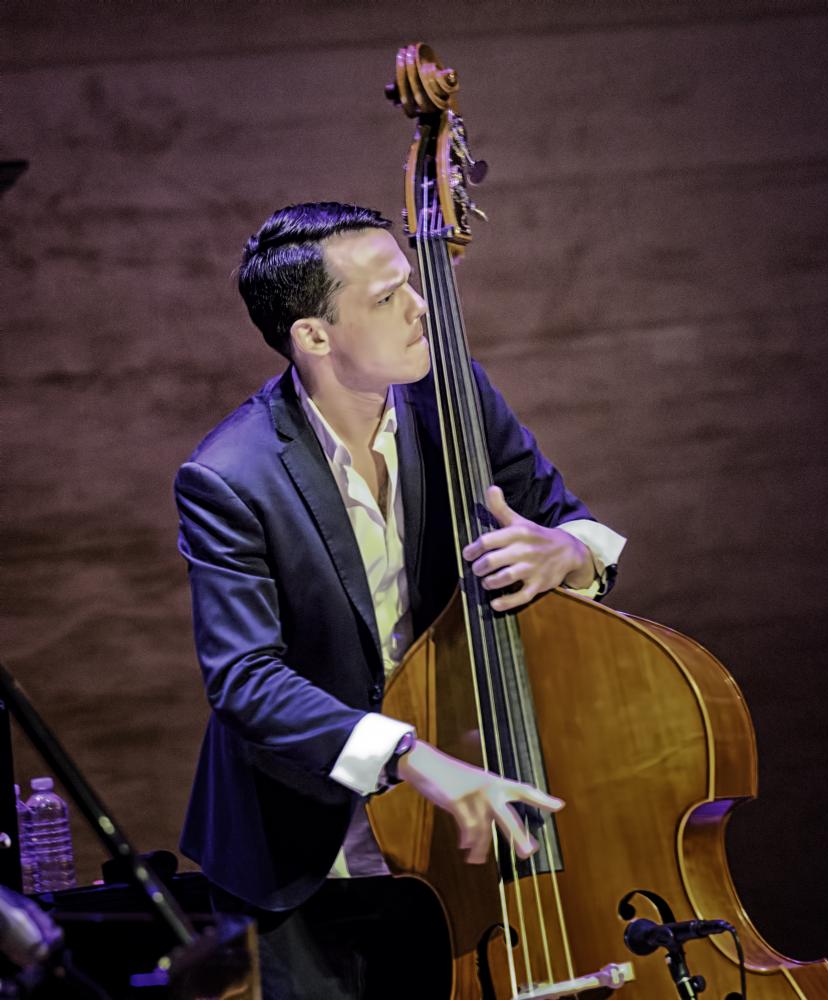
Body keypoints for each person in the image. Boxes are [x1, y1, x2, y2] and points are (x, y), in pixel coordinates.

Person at [174, 201, 625, 998]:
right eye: (386, 298)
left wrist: (566, 553)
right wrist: (410, 758)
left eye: (410, 284)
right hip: (305, 857)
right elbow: (244, 677)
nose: (422, 307)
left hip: (458, 839)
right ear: (313, 335)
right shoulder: (229, 477)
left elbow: (569, 522)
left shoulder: (453, 399)